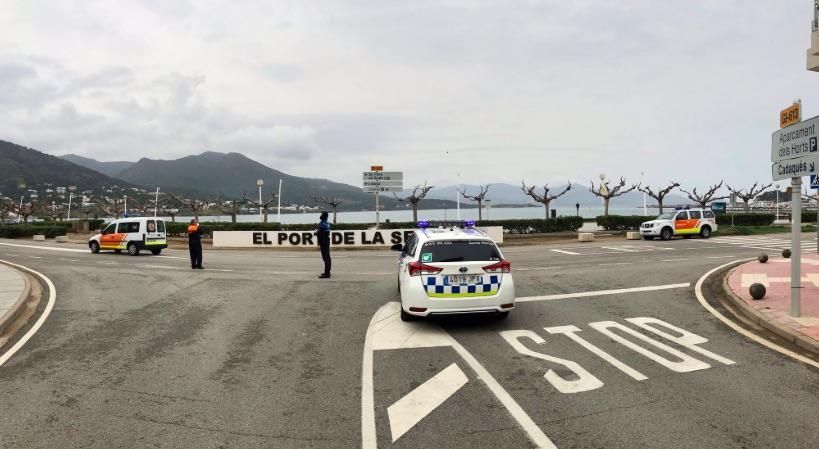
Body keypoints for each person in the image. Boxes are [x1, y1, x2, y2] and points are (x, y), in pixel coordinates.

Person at [317, 211, 331, 278]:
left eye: (321, 214)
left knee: (326, 258)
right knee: (327, 257)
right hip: (326, 241)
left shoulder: (323, 224)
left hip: (324, 242)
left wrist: (317, 234)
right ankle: (327, 272)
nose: (320, 215)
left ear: (323, 216)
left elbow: (321, 233)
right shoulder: (327, 223)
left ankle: (327, 274)